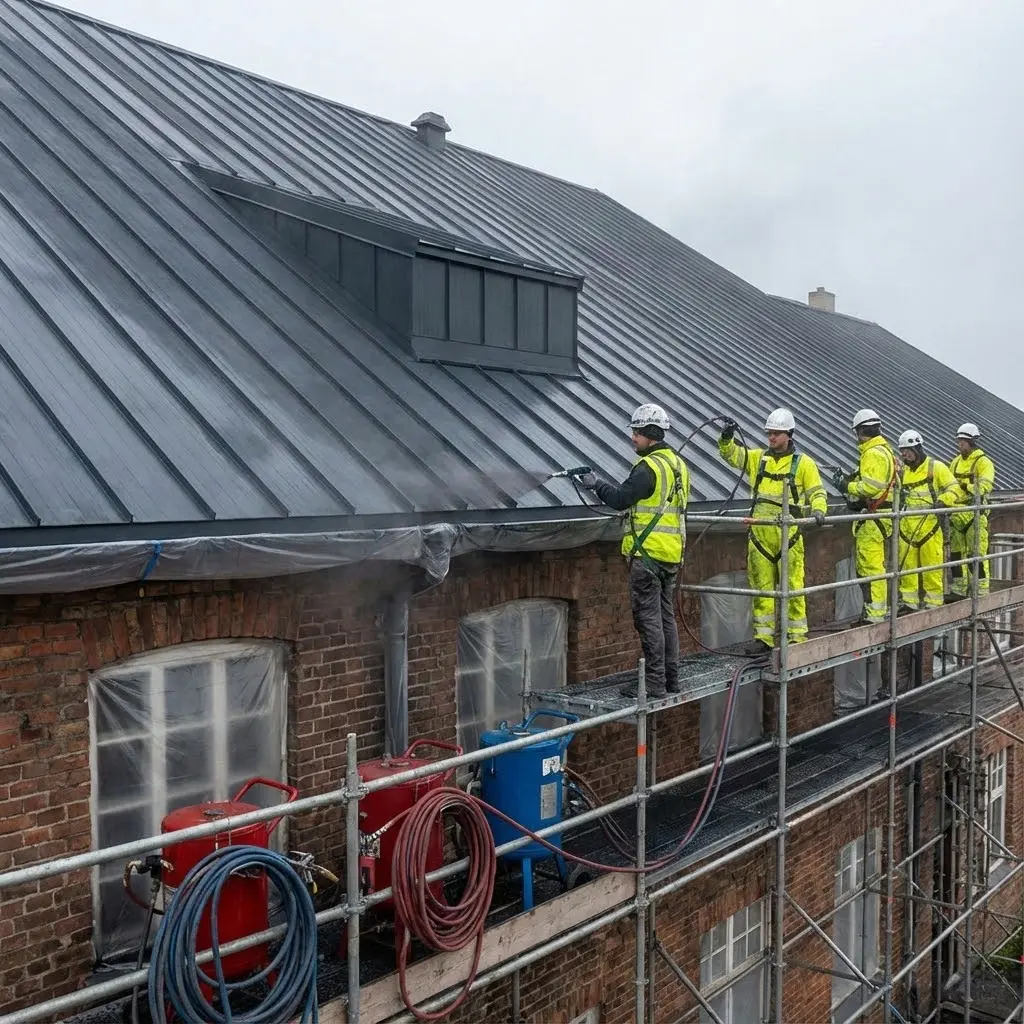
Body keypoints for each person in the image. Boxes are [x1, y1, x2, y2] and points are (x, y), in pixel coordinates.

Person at [578, 403, 690, 697]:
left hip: (647, 555)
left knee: (648, 620)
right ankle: (670, 679)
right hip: (671, 554)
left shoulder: (648, 468)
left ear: (650, 433)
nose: (633, 438)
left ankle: (654, 683)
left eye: (637, 433)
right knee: (666, 619)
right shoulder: (678, 466)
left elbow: (620, 499)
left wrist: (595, 484)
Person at [718, 408, 827, 652]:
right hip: (760, 535)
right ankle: (764, 639)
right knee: (761, 588)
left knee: (793, 587)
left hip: (789, 534)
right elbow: (732, 455)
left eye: (776, 433)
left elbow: (817, 491)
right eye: (769, 433)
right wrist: (726, 437)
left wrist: (819, 510)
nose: (772, 438)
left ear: (789, 434)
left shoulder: (804, 463)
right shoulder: (758, 459)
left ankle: (796, 637)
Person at [832, 409, 900, 624]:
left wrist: (846, 485)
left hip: (875, 518)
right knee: (867, 567)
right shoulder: (883, 451)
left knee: (871, 568)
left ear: (860, 431)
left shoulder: (873, 453)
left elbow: (871, 487)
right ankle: (871, 611)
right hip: (878, 516)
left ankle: (875, 614)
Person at [896, 429, 970, 611]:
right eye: (902, 451)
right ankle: (909, 603)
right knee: (907, 569)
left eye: (908, 451)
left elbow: (955, 489)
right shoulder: (904, 471)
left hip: (930, 526)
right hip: (907, 528)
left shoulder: (935, 467)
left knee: (932, 567)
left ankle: (933, 604)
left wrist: (943, 500)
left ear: (918, 448)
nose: (905, 455)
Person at [948, 422, 996, 598]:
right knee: (956, 556)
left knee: (976, 555)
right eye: (959, 441)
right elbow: (948, 485)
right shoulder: (955, 462)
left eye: (963, 441)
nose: (960, 444)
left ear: (972, 442)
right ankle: (959, 590)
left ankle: (980, 591)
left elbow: (984, 487)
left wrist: (965, 486)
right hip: (956, 516)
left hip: (974, 516)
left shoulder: (983, 462)